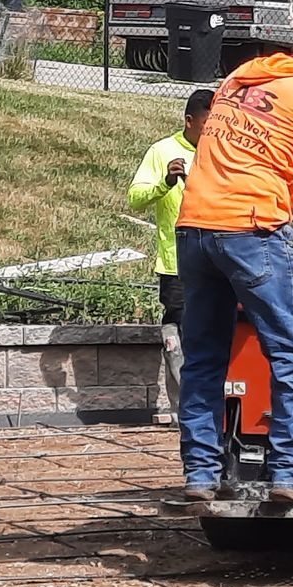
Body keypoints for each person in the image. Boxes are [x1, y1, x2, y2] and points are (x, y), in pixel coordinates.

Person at [170, 22, 293, 505]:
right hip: (253, 230)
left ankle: (201, 474)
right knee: (290, 354)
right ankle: (289, 475)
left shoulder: (238, 79)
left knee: (205, 357)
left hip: (194, 228)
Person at [128, 87, 215, 408]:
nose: (213, 130)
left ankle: (207, 409)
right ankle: (185, 410)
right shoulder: (163, 151)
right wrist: (165, 181)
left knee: (209, 333)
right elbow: (135, 198)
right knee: (178, 330)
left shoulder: (225, 151)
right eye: (207, 123)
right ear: (189, 121)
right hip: (176, 263)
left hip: (219, 262)